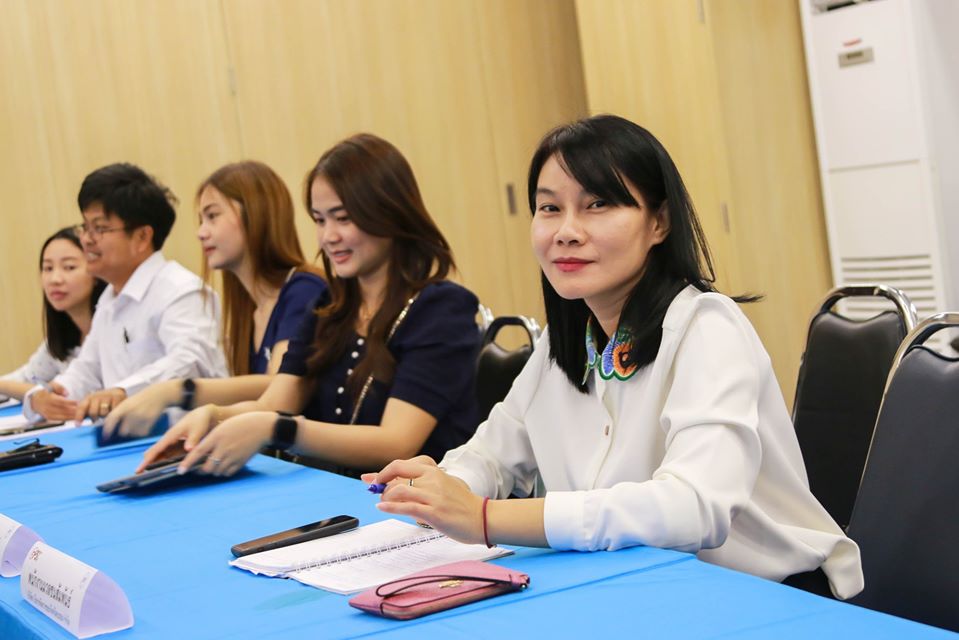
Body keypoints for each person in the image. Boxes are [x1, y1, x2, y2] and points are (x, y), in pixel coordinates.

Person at [364, 115, 864, 600]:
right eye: (549, 208)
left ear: (659, 222)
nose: (566, 231)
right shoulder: (565, 341)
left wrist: (485, 518)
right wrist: (440, 489)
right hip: (635, 588)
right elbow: (491, 454)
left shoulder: (707, 328)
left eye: (598, 204)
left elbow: (694, 507)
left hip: (760, 594)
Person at [138, 133, 480, 478]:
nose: (329, 236)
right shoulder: (330, 307)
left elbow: (397, 442)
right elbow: (274, 403)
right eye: (320, 220)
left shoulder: (441, 309)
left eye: (342, 218)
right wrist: (214, 417)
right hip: (340, 493)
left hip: (414, 502)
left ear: (389, 213)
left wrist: (278, 428)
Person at [101, 161, 328, 438]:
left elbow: (277, 386)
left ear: (255, 214)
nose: (201, 232)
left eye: (212, 216)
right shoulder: (248, 310)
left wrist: (175, 391)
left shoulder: (305, 290)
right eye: (201, 220)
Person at [23, 163, 228, 423]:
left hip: (191, 437)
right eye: (85, 227)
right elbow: (86, 371)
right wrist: (47, 395)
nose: (86, 239)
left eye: (99, 228)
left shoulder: (182, 291)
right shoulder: (109, 300)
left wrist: (122, 391)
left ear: (142, 237)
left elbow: (190, 362)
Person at [0, 226, 106, 409]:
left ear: (96, 271)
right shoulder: (62, 340)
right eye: (48, 268)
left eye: (69, 267)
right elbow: (26, 378)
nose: (55, 279)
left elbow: (60, 394)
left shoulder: (112, 328)